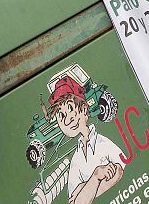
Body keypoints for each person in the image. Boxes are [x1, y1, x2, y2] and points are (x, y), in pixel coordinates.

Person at [48, 76, 123, 204]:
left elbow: (119, 170)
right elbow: (73, 201)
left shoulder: (102, 143)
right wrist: (96, 177)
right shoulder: (76, 159)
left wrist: (86, 188)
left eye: (71, 109)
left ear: (83, 108)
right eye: (61, 115)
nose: (68, 120)